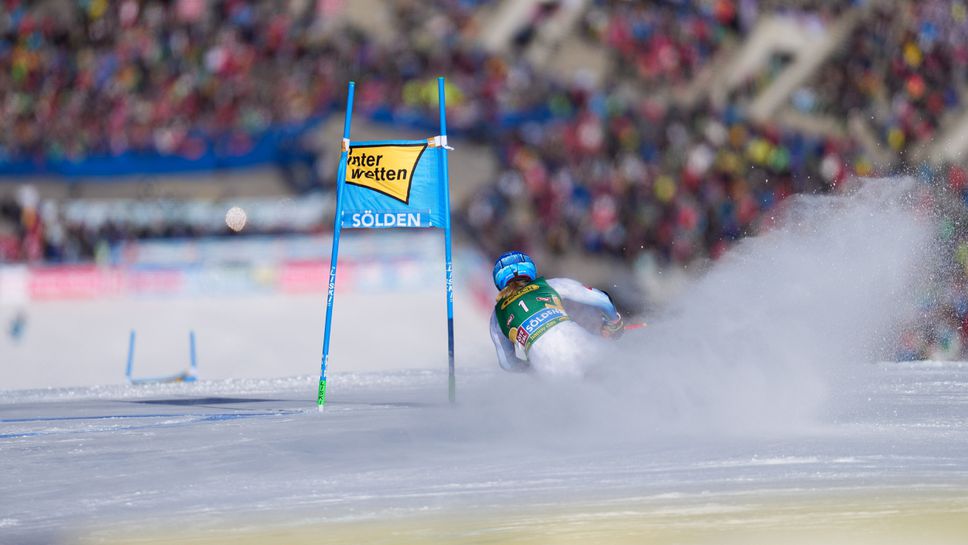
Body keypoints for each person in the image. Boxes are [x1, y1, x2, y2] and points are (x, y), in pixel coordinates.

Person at [489, 251, 624, 377]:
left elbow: (508, 364)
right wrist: (613, 324)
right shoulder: (551, 285)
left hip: (550, 373)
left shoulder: (496, 318)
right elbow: (602, 299)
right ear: (529, 269)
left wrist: (533, 366)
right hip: (585, 347)